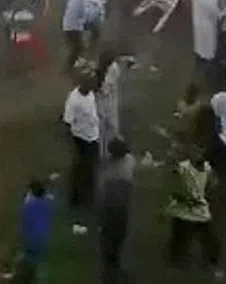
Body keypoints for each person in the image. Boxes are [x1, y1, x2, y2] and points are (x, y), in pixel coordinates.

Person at [165, 145, 222, 277]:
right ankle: (176, 265)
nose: (198, 155)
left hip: (199, 212)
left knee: (211, 241)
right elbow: (172, 175)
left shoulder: (206, 168)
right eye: (195, 152)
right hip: (183, 212)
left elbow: (213, 184)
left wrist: (207, 192)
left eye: (200, 152)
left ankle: (210, 264)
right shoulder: (183, 167)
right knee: (179, 241)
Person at [99, 138, 136, 284]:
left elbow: (103, 190)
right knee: (115, 237)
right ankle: (112, 268)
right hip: (117, 207)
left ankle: (111, 268)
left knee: (113, 238)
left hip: (114, 207)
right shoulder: (128, 162)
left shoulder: (109, 166)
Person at [62, 73, 100, 209]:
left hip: (93, 135)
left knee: (91, 166)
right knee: (81, 168)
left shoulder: (90, 94)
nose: (93, 86)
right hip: (81, 138)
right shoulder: (73, 100)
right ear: (82, 84)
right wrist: (71, 142)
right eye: (90, 84)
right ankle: (75, 199)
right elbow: (67, 121)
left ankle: (89, 195)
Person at [16, 179, 55, 284]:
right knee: (40, 264)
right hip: (44, 239)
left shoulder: (27, 206)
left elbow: (23, 225)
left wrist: (21, 240)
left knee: (28, 261)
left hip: (30, 240)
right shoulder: (47, 204)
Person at [61, 0, 101, 71]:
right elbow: (88, 13)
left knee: (79, 46)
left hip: (69, 23)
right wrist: (97, 10)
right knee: (78, 48)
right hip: (74, 25)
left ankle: (86, 57)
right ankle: (68, 68)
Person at [191, 0, 220, 85]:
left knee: (200, 48)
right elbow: (218, 16)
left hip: (198, 26)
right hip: (208, 29)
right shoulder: (211, 1)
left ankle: (197, 70)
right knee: (209, 53)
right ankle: (209, 78)